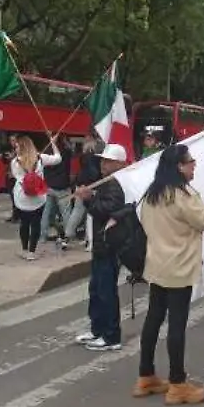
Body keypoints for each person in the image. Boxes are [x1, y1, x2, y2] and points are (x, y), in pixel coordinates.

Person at [132, 144, 204, 404]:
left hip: (157, 265)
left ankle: (146, 375)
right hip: (179, 267)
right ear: (178, 166)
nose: (194, 165)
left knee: (153, 319)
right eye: (190, 161)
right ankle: (177, 383)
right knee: (176, 324)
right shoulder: (182, 195)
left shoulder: (152, 194)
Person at [74, 144, 130, 352]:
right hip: (101, 245)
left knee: (106, 292)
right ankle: (97, 330)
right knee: (96, 290)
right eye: (102, 160)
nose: (103, 164)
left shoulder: (117, 183)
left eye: (108, 161)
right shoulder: (107, 182)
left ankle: (111, 336)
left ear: (118, 163)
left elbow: (106, 210)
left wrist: (90, 199)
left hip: (110, 245)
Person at [11, 135, 63, 260]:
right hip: (38, 198)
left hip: (21, 198)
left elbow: (15, 176)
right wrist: (53, 144)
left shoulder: (15, 162)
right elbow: (58, 159)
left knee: (24, 224)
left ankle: (24, 249)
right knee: (35, 224)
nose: (15, 148)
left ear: (22, 147)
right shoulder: (40, 158)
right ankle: (31, 252)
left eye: (17, 146)